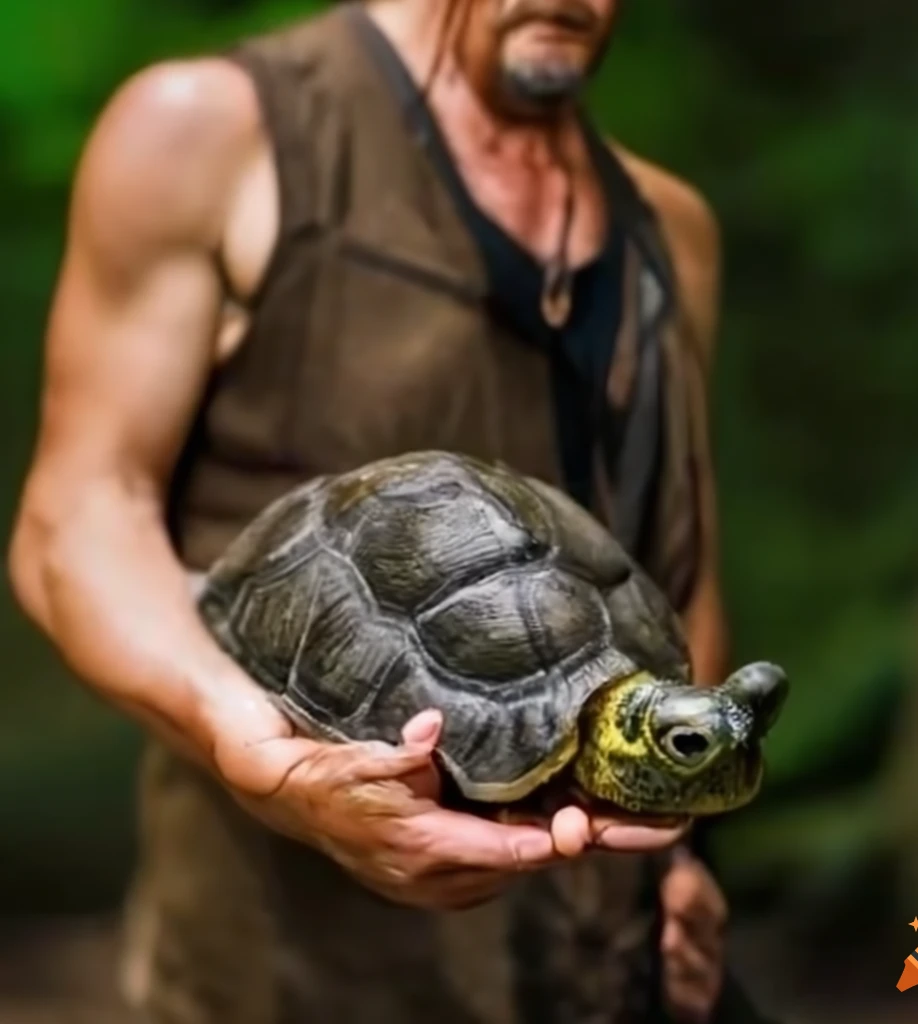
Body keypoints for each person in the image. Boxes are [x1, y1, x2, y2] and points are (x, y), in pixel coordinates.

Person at [8, 0, 750, 1021]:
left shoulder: (672, 231)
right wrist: (251, 742)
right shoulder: (216, 132)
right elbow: (77, 520)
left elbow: (683, 563)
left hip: (597, 968)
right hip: (288, 973)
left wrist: (683, 854)